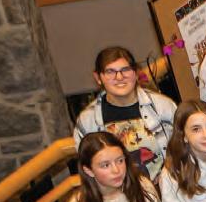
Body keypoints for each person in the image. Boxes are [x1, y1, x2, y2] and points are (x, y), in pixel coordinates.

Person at [74, 46, 177, 180]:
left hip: (166, 187)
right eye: (110, 72)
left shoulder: (163, 106)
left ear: (135, 72)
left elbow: (183, 149)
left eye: (125, 69)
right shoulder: (88, 120)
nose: (119, 77)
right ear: (98, 77)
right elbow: (87, 167)